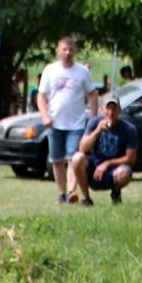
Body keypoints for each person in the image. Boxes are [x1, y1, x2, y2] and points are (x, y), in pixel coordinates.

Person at [37, 36, 95, 204]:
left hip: (76, 123)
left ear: (74, 51)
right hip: (54, 123)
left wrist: (93, 117)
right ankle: (62, 193)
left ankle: (71, 191)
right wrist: (44, 115)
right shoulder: (50, 70)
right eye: (64, 49)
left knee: (72, 158)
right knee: (57, 160)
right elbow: (41, 96)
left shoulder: (82, 72)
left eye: (71, 50)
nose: (68, 53)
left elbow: (91, 94)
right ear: (58, 50)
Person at [69, 91, 137, 206]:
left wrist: (107, 164)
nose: (110, 113)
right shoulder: (94, 123)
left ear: (119, 110)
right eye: (108, 108)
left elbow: (130, 158)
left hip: (113, 169)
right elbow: (82, 148)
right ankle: (86, 199)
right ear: (102, 109)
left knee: (124, 173)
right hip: (93, 167)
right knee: (77, 158)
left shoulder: (129, 129)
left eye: (114, 109)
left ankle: (115, 192)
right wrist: (97, 131)